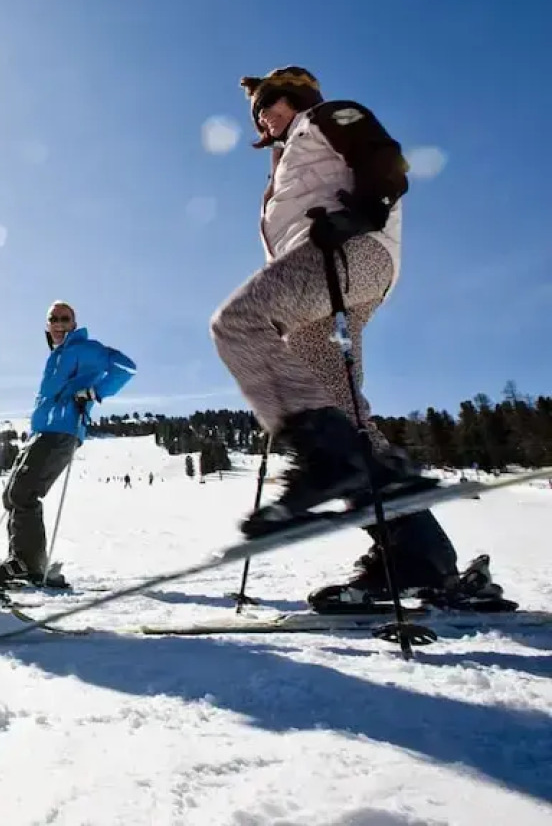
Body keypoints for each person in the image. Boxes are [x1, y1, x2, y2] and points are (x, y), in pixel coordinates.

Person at [211, 66, 506, 611]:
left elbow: (382, 155)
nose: (264, 119)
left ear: (296, 96)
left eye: (271, 104)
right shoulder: (283, 164)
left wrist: (364, 212)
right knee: (343, 419)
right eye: (258, 114)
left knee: (237, 325)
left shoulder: (325, 117)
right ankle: (419, 556)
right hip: (320, 278)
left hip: (348, 254)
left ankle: (325, 460)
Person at [0, 302, 134, 590]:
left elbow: (126, 367)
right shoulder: (57, 356)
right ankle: (23, 561)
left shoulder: (86, 348)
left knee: (24, 493)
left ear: (74, 323)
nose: (58, 323)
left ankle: (27, 565)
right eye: (53, 319)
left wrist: (95, 391)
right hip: (42, 431)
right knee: (12, 494)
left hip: (63, 430)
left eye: (64, 318)